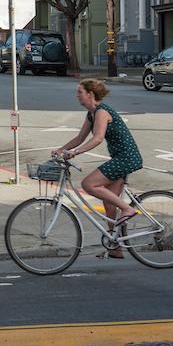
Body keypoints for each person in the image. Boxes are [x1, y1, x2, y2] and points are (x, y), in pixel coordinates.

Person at [52, 79, 143, 258]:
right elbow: (80, 137)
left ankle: (128, 209)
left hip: (125, 158)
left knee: (89, 184)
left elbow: (98, 138)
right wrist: (61, 150)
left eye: (80, 92)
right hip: (119, 157)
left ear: (90, 94)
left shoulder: (102, 112)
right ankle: (116, 247)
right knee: (109, 204)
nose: (77, 95)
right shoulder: (91, 114)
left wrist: (75, 153)